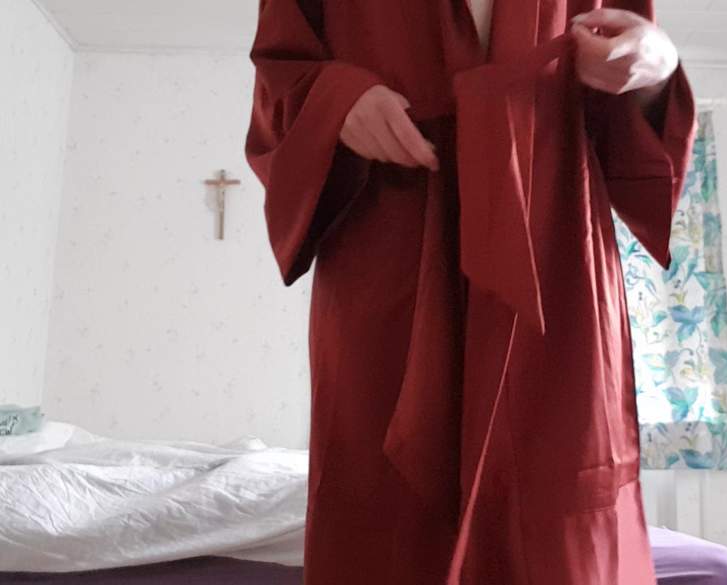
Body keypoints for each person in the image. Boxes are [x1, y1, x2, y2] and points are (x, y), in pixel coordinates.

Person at [245, 1, 697, 584]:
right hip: (392, 238)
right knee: (383, 511)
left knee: (562, 502)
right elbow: (281, 76)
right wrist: (337, 100)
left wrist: (655, 68)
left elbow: (626, 83)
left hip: (552, 242)